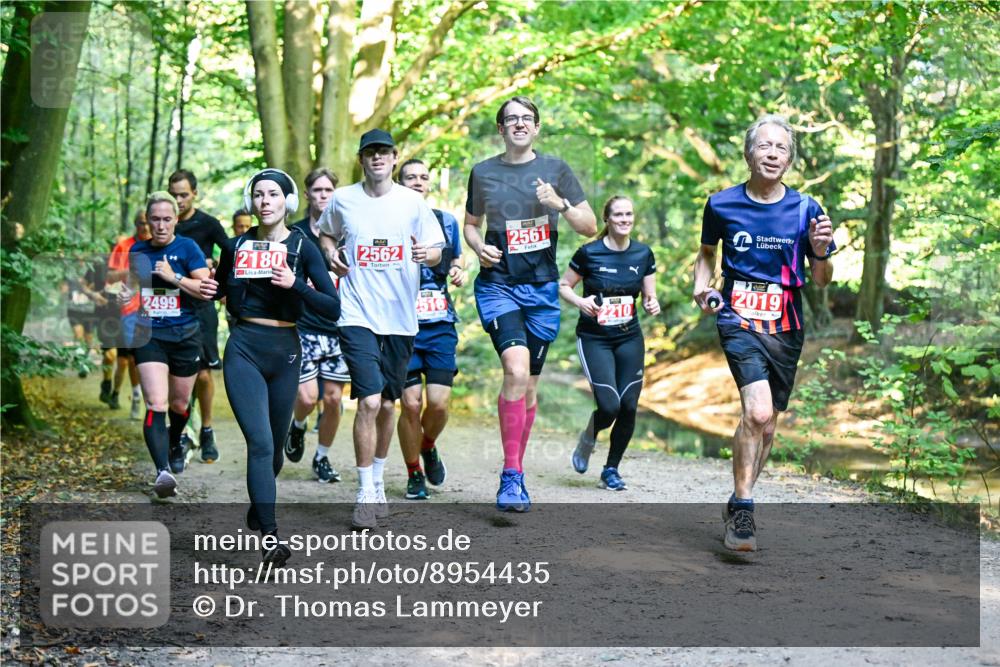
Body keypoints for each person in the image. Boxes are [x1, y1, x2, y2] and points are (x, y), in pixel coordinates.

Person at [693, 114, 834, 552]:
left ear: (789, 160)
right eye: (765, 146)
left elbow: (823, 279)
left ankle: (738, 499)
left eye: (782, 149)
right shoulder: (721, 204)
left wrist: (820, 250)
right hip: (737, 314)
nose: (773, 154)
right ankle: (746, 511)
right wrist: (702, 283)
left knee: (769, 425)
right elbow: (706, 252)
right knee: (756, 413)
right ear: (749, 153)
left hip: (786, 321)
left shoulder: (807, 210)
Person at [200, 168, 340, 565]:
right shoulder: (235, 246)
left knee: (275, 453)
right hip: (244, 347)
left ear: (286, 202)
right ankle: (271, 537)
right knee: (259, 444)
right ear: (251, 201)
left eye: (273, 194)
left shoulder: (303, 247)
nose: (265, 201)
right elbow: (221, 289)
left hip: (286, 350)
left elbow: (333, 308)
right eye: (258, 195)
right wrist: (213, 290)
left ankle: (258, 506)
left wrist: (295, 284)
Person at [464, 96, 597, 512]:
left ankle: (516, 469)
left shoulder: (555, 170)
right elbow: (471, 226)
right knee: (516, 371)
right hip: (498, 286)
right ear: (501, 129)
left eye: (526, 119)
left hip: (541, 291)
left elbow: (590, 228)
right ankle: (511, 475)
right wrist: (478, 248)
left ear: (536, 127)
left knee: (531, 387)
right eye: (510, 119)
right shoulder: (483, 172)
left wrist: (561, 205)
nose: (519, 124)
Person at [318, 129, 444, 529]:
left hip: (401, 319)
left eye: (384, 153)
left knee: (388, 405)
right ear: (361, 160)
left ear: (394, 158)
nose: (377, 159)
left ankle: (379, 478)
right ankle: (364, 491)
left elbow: (437, 248)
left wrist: (429, 253)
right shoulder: (343, 199)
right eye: (369, 153)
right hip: (356, 312)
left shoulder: (413, 203)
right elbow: (324, 233)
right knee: (369, 401)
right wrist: (331, 253)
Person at [559, 196, 659, 491]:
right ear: (607, 219)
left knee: (628, 405)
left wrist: (652, 304)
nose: (625, 219)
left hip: (629, 336)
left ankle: (611, 470)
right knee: (609, 405)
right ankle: (590, 434)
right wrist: (580, 301)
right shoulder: (589, 253)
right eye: (618, 214)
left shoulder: (643, 253)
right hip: (594, 338)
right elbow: (563, 285)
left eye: (629, 214)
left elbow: (649, 295)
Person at [121, 192, 211, 499]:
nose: (160, 225)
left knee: (179, 405)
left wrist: (175, 277)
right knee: (156, 403)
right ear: (147, 220)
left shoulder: (188, 248)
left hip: (185, 335)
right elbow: (134, 286)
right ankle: (162, 472)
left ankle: (177, 440)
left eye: (166, 219)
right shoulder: (138, 250)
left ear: (175, 219)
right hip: (149, 335)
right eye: (154, 219)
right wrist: (125, 294)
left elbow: (205, 290)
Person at [393, 158, 465, 500]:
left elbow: (457, 260)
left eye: (423, 178)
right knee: (409, 404)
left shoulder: (446, 221)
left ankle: (429, 444)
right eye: (410, 177)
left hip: (438, 324)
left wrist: (459, 271)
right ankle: (413, 472)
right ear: (399, 182)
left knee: (437, 403)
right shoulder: (386, 219)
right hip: (400, 325)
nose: (418, 182)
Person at [284, 167, 349, 484]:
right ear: (307, 194)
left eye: (328, 190)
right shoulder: (294, 235)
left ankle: (322, 457)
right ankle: (297, 426)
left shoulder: (349, 232)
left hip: (339, 329)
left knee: (334, 399)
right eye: (317, 190)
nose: (323, 196)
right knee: (308, 398)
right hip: (303, 327)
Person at [169, 169, 228, 462]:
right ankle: (179, 437)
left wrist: (213, 263)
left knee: (203, 374)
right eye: (174, 194)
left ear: (194, 193)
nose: (178, 200)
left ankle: (206, 429)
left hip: (202, 305)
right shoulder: (165, 224)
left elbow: (231, 254)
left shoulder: (208, 224)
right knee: (175, 376)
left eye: (183, 194)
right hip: (170, 305)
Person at [104, 210, 152, 419]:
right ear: (136, 224)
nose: (146, 227)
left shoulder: (161, 244)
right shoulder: (124, 246)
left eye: (148, 223)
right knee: (131, 359)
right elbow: (109, 277)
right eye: (141, 223)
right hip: (129, 310)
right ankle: (134, 395)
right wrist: (130, 271)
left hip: (157, 308)